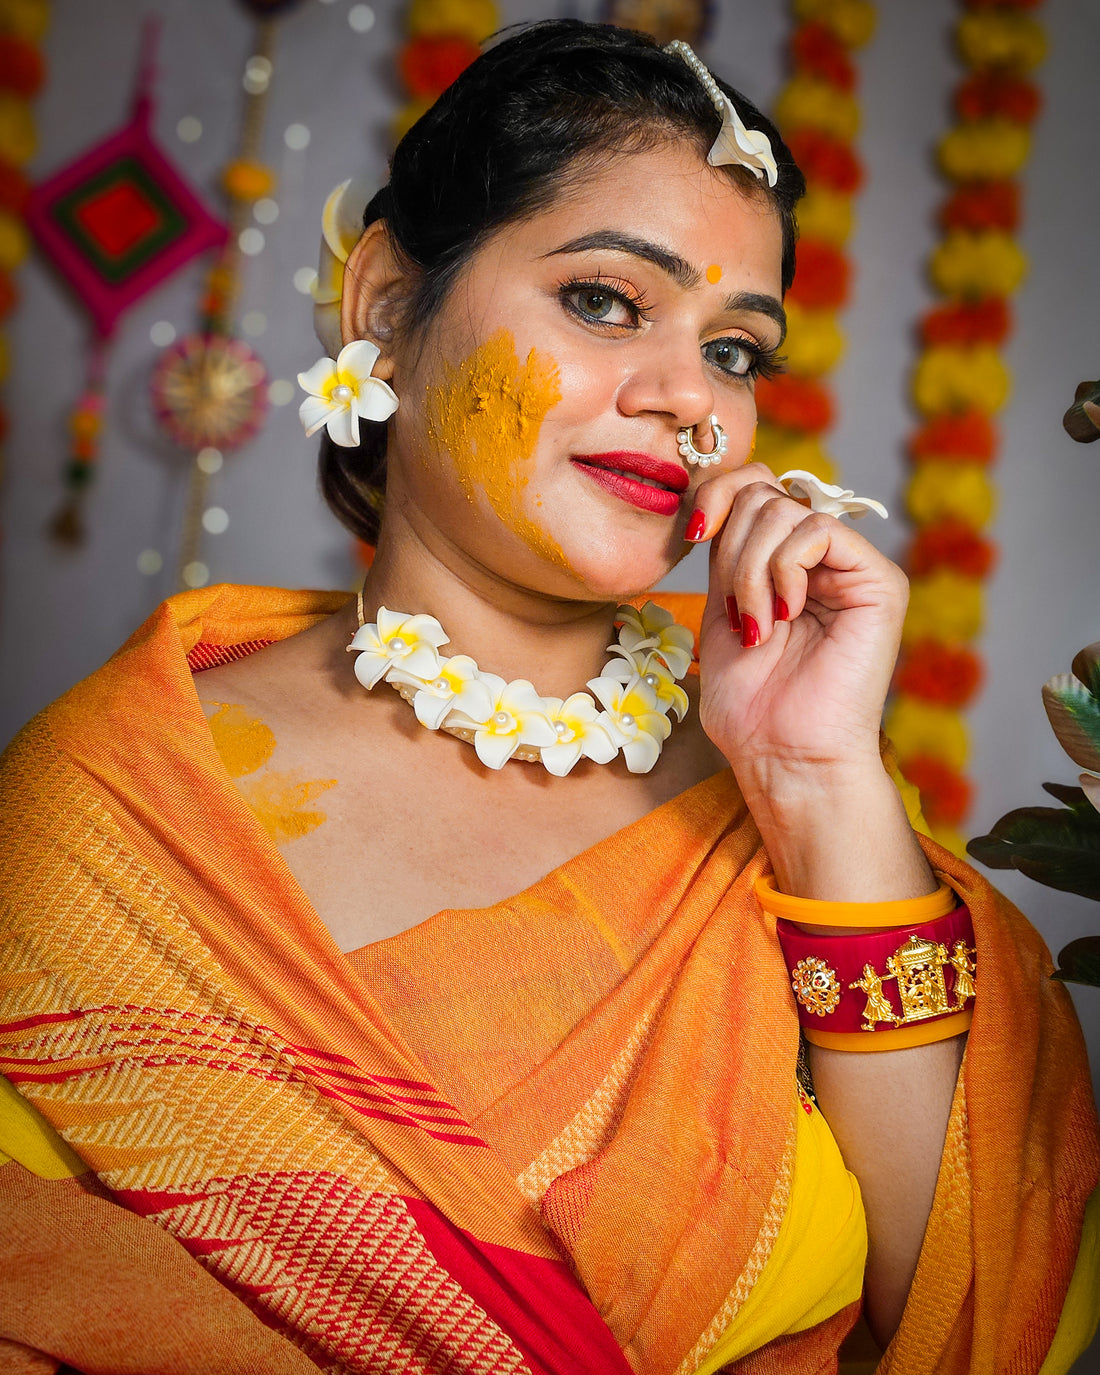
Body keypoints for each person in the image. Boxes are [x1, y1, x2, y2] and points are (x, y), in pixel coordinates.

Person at [0, 20, 1096, 1375]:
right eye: (604, 301)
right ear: (388, 306)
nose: (690, 399)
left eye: (738, 351)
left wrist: (816, 785)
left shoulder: (813, 810)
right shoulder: (123, 809)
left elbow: (973, 1313)